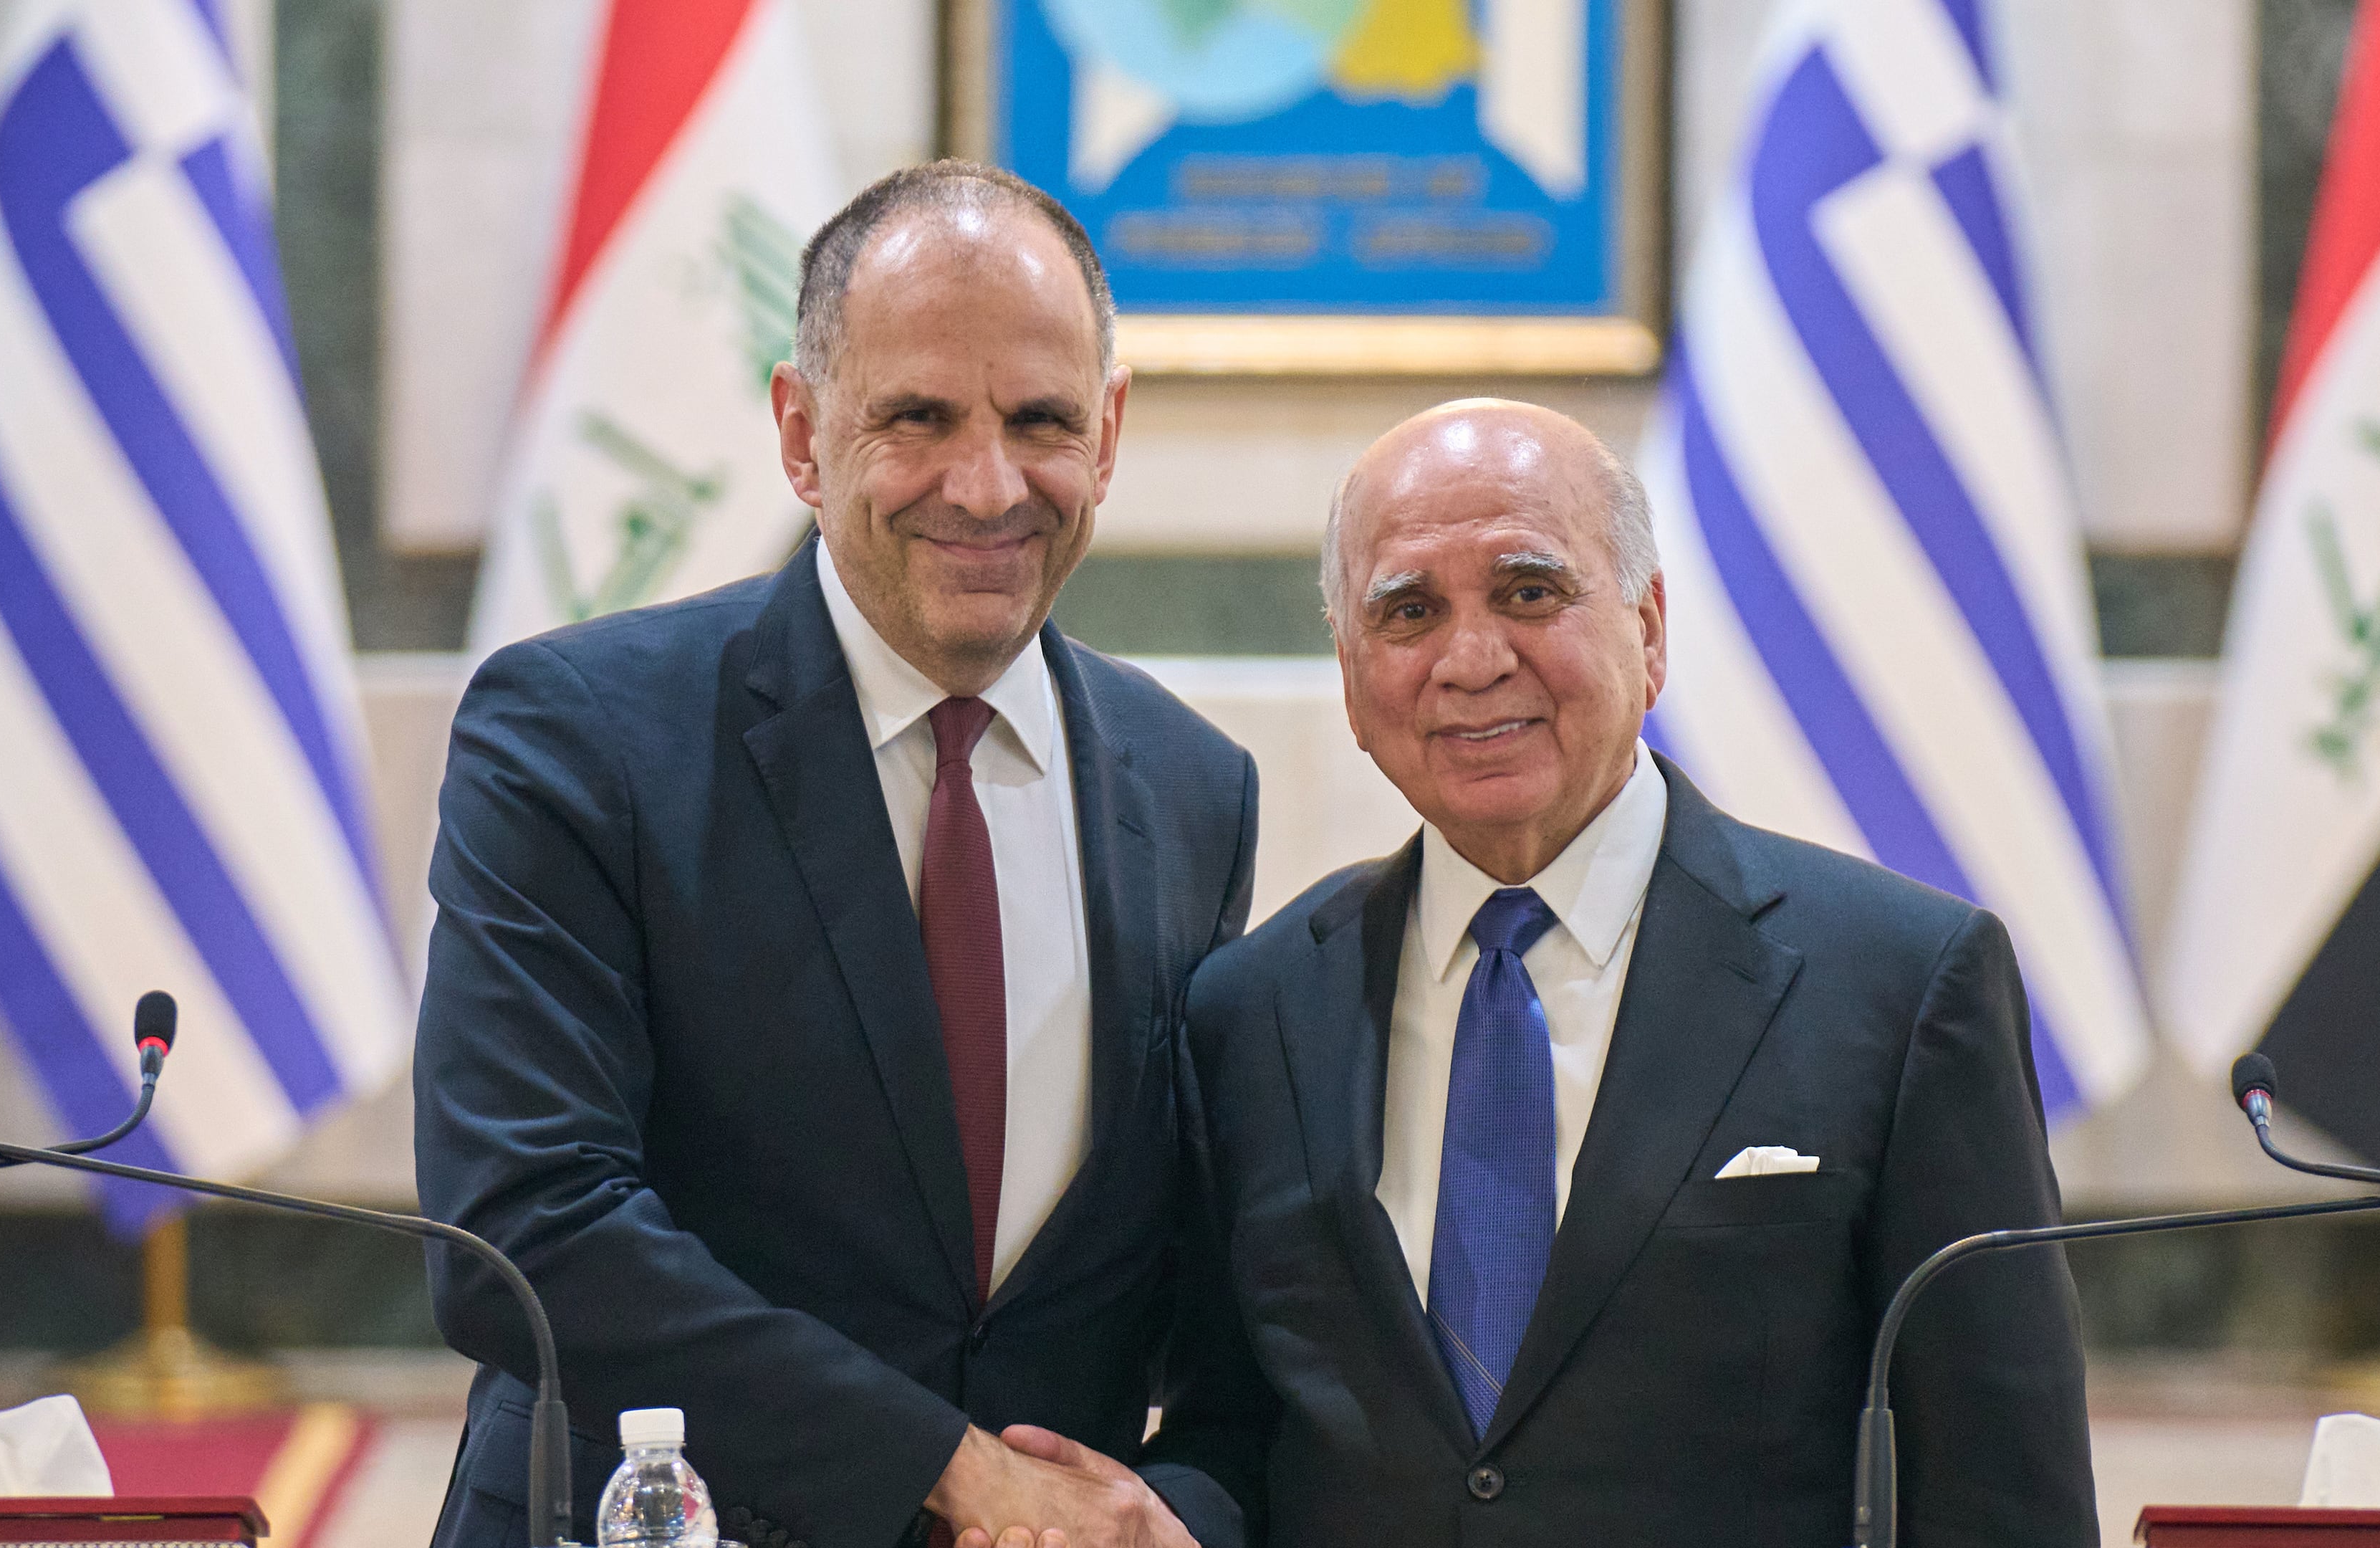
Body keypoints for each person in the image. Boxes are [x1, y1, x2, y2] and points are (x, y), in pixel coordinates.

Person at [416, 161, 1257, 1548]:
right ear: (802, 437)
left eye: (1040, 421)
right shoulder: (575, 736)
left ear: (1107, 435)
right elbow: (529, 1224)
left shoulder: (1193, 788)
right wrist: (951, 1469)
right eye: (916, 418)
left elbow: (1191, 1285)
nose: (987, 485)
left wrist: (1178, 1516)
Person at [1159, 400, 2098, 1544]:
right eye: (1408, 612)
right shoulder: (1250, 1014)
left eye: (1528, 591)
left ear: (1650, 632)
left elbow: (2007, 1494)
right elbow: (1230, 1435)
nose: (1470, 659)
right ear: (1355, 685)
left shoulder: (1903, 987)